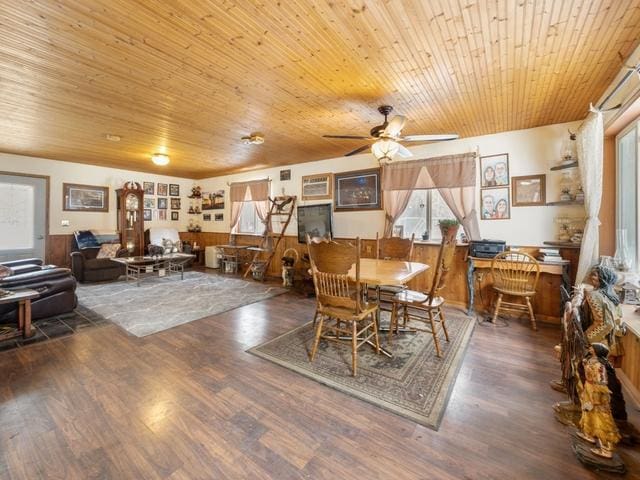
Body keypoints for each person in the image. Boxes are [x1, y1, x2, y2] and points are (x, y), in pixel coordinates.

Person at [576, 343, 621, 459]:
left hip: (596, 394)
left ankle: (606, 449)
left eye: (592, 347)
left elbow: (601, 382)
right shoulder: (591, 360)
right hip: (588, 389)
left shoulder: (600, 365)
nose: (590, 348)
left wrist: (596, 397)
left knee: (601, 419)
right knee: (587, 411)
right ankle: (589, 434)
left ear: (597, 351)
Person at [582, 264, 623, 356]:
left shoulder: (593, 295)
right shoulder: (612, 294)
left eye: (596, 275)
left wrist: (586, 337)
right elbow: (618, 317)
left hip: (600, 341)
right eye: (592, 275)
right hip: (612, 340)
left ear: (604, 278)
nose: (592, 277)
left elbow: (605, 323)